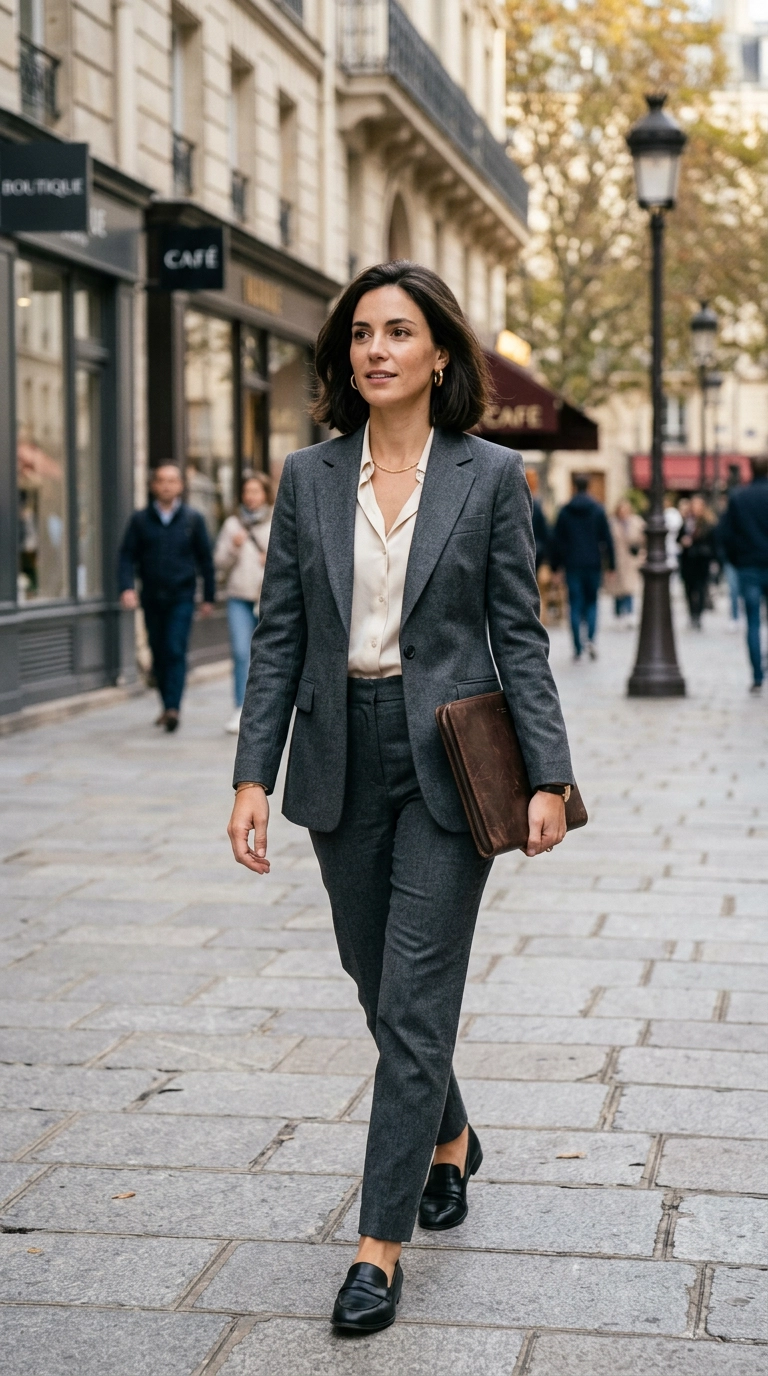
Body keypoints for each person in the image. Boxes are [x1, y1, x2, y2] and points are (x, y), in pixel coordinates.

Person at [227, 261, 574, 1335]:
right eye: (362, 334)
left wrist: (551, 773)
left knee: (415, 994)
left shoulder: (489, 477)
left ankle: (378, 1246)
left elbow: (517, 630)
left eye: (399, 332)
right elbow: (280, 631)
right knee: (381, 983)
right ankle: (451, 1136)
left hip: (447, 756)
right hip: (338, 753)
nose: (376, 349)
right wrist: (252, 772)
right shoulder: (307, 476)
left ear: (438, 355)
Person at [119, 463, 215, 731]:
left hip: (181, 595)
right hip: (151, 596)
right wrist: (126, 587)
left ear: (180, 486)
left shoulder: (192, 519)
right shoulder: (140, 520)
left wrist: (208, 596)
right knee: (159, 652)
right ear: (153, 486)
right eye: (161, 480)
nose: (166, 485)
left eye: (172, 480)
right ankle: (166, 704)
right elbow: (126, 555)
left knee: (174, 649)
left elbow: (205, 560)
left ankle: (173, 707)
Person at [214, 472, 273, 734]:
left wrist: (269, 560)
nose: (251, 496)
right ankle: (239, 708)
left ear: (265, 495)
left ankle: (264, 710)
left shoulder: (277, 520)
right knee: (240, 653)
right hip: (238, 597)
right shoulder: (231, 525)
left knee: (267, 657)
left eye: (256, 491)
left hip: (268, 599)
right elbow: (218, 564)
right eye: (247, 491)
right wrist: (234, 548)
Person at [551, 473, 614, 660]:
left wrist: (555, 567)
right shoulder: (598, 509)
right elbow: (607, 539)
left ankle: (577, 647)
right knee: (592, 602)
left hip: (572, 564)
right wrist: (612, 565)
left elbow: (557, 541)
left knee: (575, 604)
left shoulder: (565, 511)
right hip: (593, 563)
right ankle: (591, 639)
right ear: (588, 486)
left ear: (574, 486)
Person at [719, 456, 768, 692]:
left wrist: (735, 560)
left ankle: (757, 674)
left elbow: (726, 534)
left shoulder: (739, 497)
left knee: (753, 622)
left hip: (748, 566)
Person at [677, 493, 716, 630]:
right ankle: (691, 614)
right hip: (687, 561)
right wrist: (683, 541)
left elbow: (713, 542)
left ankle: (698, 615)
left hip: (701, 560)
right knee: (688, 589)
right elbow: (678, 538)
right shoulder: (687, 522)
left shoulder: (708, 523)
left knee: (700, 589)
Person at [607, 498, 645, 623]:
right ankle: (619, 613)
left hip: (631, 559)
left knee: (629, 588)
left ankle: (629, 613)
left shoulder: (637, 522)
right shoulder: (611, 523)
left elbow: (644, 539)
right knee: (618, 590)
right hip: (617, 559)